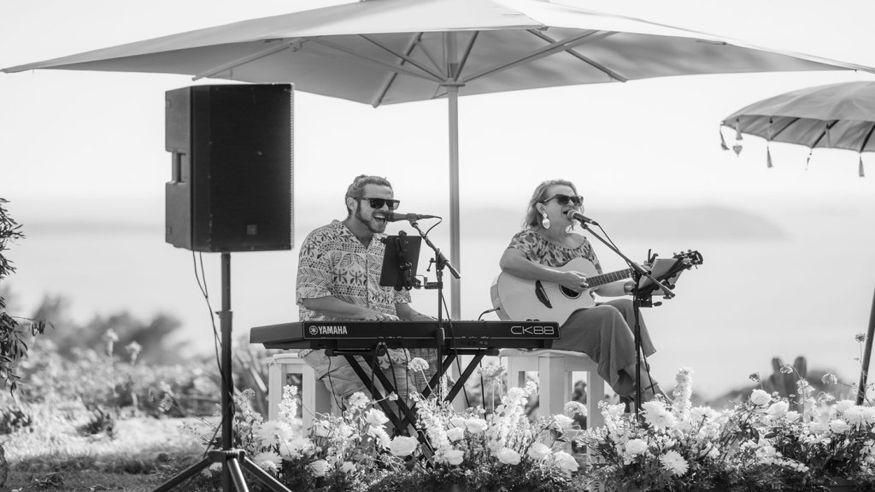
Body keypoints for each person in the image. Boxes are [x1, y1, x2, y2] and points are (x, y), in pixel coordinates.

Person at [498, 179, 663, 404]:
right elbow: (508, 262)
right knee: (607, 314)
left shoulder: (582, 243)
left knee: (626, 307)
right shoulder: (530, 238)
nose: (571, 203)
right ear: (542, 207)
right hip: (547, 326)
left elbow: (598, 286)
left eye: (576, 199)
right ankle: (649, 392)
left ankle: (638, 393)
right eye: (563, 199)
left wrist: (629, 287)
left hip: (578, 319)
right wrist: (560, 277)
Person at [297, 175, 436, 408]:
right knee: (370, 410)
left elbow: (401, 309)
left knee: (410, 409)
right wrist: (365, 314)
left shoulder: (391, 246)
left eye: (391, 204)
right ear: (352, 203)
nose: (386, 210)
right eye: (376, 203)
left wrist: (437, 324)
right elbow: (312, 298)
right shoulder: (321, 239)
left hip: (385, 348)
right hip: (334, 345)